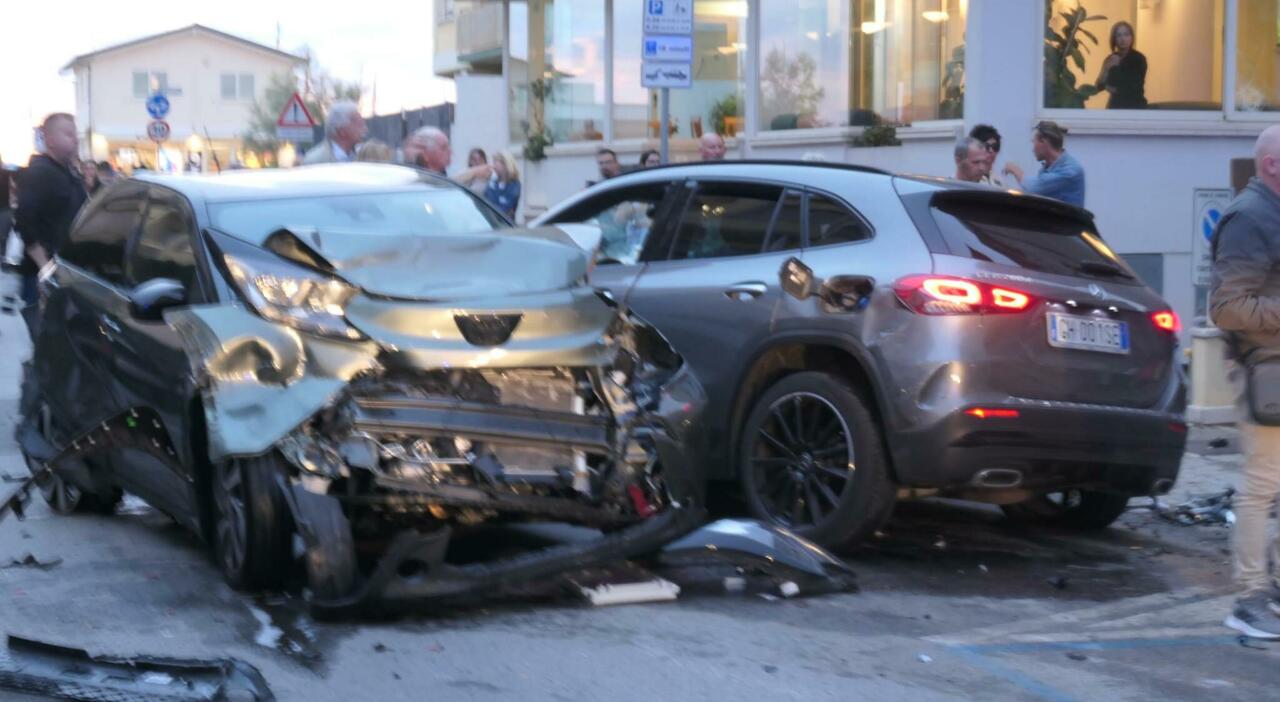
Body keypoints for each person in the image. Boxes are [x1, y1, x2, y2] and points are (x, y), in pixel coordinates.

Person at [1211, 125, 1280, 640]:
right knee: (1261, 488)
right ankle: (1249, 598)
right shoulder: (1251, 217)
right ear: (1273, 165)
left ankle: (1267, 589)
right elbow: (1227, 308)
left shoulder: (1267, 213)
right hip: (1266, 372)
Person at [14, 113, 87, 307]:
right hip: (43, 276)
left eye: (75, 134)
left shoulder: (69, 173)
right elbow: (24, 221)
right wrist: (45, 266)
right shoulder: (39, 173)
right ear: (51, 140)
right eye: (68, 134)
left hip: (69, 272)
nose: (75, 139)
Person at [1002, 121, 1085, 207]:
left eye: (1034, 142)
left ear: (1043, 142)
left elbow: (1032, 188)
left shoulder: (1070, 171)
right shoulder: (1051, 168)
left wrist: (1015, 170)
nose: (1033, 149)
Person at [1095, 21, 1147, 110]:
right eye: (1118, 35)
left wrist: (1111, 88)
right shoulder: (1111, 58)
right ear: (1114, 39)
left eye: (1126, 35)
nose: (1123, 39)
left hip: (1135, 107)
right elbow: (1098, 87)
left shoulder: (1139, 59)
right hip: (1115, 107)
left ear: (1132, 38)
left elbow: (1134, 88)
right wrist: (1106, 68)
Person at [302, 101, 367, 164]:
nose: (365, 129)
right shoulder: (315, 161)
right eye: (359, 125)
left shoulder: (364, 159)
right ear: (342, 131)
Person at [483, 151, 521, 221]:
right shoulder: (492, 182)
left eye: (495, 162)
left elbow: (506, 207)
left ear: (505, 164)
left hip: (505, 226)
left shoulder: (514, 185)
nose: (493, 166)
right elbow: (486, 203)